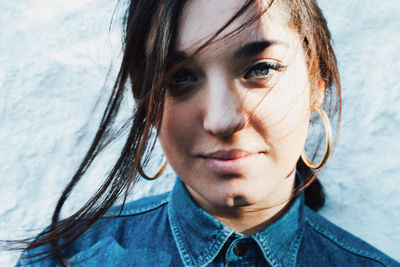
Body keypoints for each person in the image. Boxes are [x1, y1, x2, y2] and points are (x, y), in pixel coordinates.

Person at [14, 0, 399, 266]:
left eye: (260, 69)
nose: (221, 119)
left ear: (317, 78)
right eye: (180, 77)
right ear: (145, 98)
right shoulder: (64, 259)